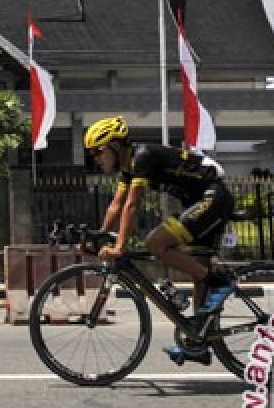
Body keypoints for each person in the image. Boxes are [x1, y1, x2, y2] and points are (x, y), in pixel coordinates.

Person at [84, 116, 236, 366]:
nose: (96, 158)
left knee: (155, 243)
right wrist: (100, 235)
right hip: (198, 201)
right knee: (198, 271)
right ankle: (197, 340)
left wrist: (120, 246)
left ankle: (219, 282)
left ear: (114, 146)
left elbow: (133, 204)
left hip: (213, 197)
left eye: (98, 152)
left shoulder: (142, 156)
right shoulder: (128, 168)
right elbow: (117, 204)